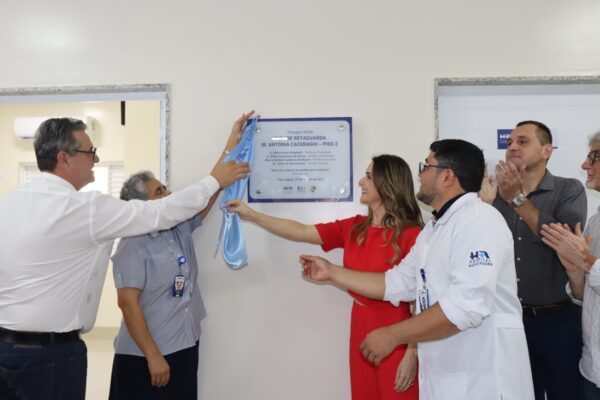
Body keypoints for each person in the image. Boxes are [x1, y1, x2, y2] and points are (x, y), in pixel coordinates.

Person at [0, 113, 252, 400]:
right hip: (50, 358)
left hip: (6, 349)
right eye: (90, 152)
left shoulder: (9, 202)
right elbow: (162, 212)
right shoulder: (84, 209)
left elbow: (185, 211)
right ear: (64, 158)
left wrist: (227, 155)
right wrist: (214, 180)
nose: (96, 158)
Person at [300, 139, 535, 400]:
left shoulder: (479, 222)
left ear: (447, 177)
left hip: (484, 378)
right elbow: (397, 282)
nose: (420, 174)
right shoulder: (433, 230)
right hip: (446, 377)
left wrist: (393, 334)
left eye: (426, 167)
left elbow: (465, 306)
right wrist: (332, 272)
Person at [227, 154, 423, 400]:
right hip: (360, 325)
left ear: (388, 184)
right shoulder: (355, 227)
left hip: (398, 332)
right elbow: (302, 231)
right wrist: (253, 215)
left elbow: (422, 298)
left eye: (369, 177)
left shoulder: (412, 235)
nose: (361, 181)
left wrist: (413, 351)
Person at [480, 120, 586, 400]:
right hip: (509, 321)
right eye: (510, 142)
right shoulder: (493, 195)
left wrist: (516, 199)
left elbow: (564, 241)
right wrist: (484, 206)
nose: (512, 147)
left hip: (559, 321)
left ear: (546, 150)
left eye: (523, 141)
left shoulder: (568, 189)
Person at [539, 130, 600, 400]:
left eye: (594, 157)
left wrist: (586, 260)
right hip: (592, 370)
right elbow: (585, 296)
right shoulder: (595, 221)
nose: (585, 165)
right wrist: (575, 272)